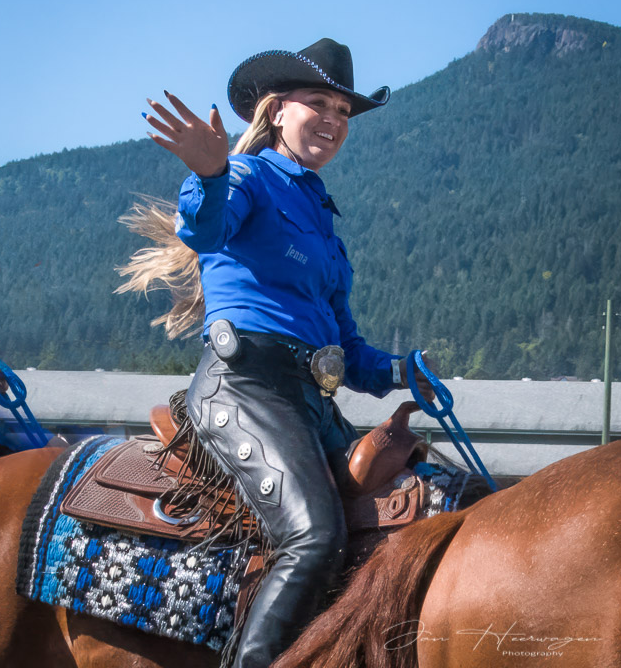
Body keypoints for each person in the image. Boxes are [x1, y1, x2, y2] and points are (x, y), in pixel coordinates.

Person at [134, 38, 435, 668]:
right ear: (276, 112)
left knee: (396, 523)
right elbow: (206, 229)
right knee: (314, 537)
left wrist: (402, 371)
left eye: (344, 112)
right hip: (243, 389)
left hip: (309, 401)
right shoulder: (244, 178)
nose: (333, 119)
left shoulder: (322, 219)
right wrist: (210, 173)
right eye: (318, 103)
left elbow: (344, 347)